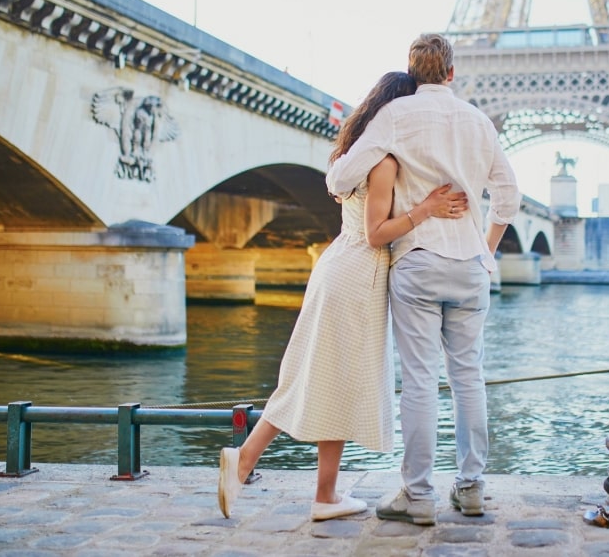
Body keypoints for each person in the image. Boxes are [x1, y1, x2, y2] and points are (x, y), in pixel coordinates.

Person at [218, 71, 470, 522]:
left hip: (339, 267)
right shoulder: (385, 163)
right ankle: (247, 460)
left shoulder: (357, 155)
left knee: (322, 380)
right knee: (317, 378)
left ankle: (324, 495)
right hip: (358, 274)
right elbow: (377, 235)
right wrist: (425, 209)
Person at [326, 33, 521, 525]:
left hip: (417, 259)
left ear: (413, 74)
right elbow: (509, 195)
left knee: (418, 382)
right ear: (452, 73)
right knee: (468, 378)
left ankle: (417, 494)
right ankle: (472, 487)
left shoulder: (396, 116)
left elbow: (338, 179)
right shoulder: (480, 122)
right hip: (469, 265)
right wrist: (487, 247)